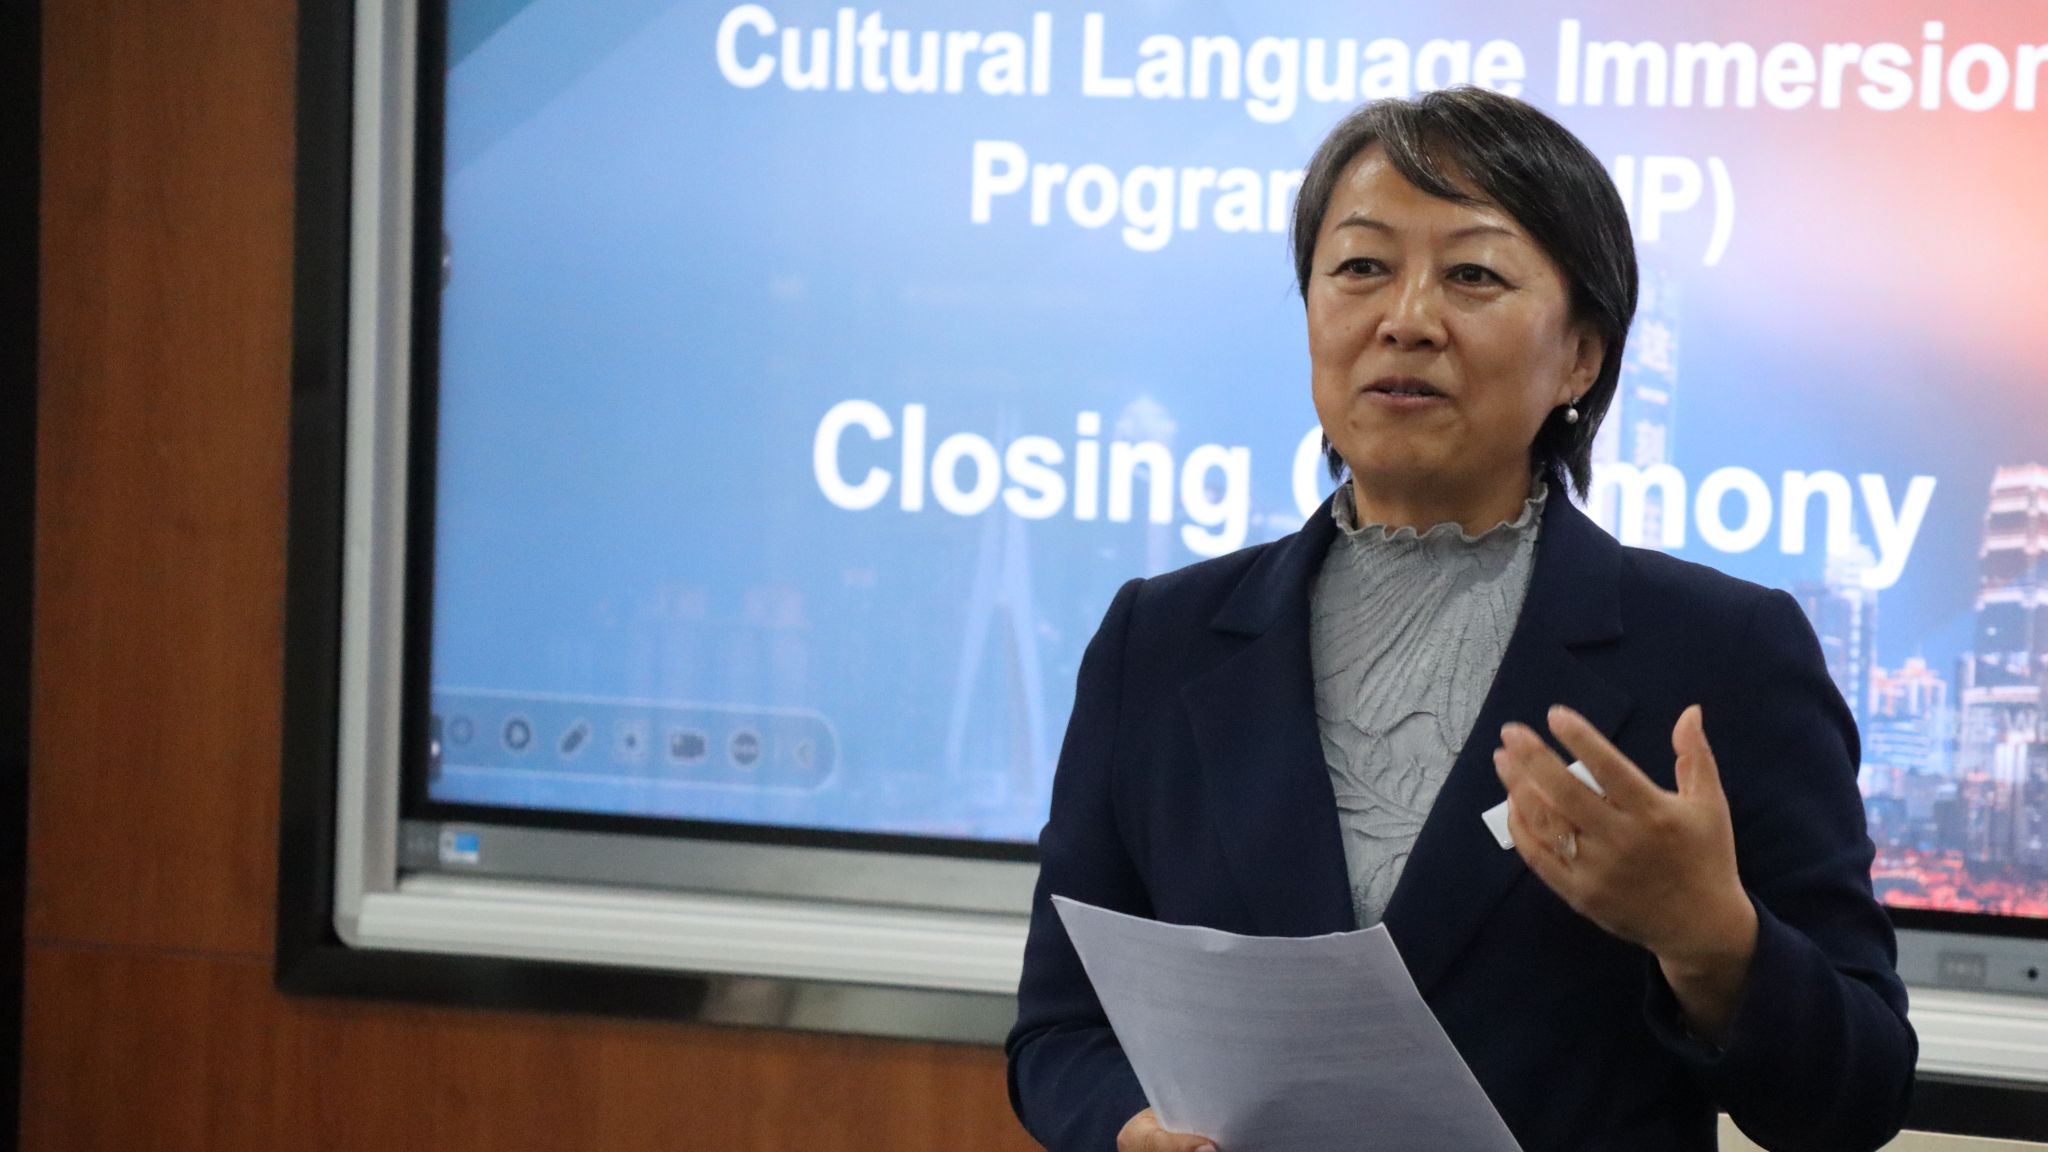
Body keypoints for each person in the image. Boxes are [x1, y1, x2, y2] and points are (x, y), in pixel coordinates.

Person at [1005, 86, 1916, 1152]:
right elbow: (1061, 1030)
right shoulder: (1156, 641)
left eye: (1472, 275)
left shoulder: (1720, 650)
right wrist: (1124, 1127)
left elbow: (1856, 1098)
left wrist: (1712, 941)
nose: (1405, 318)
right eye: (1360, 267)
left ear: (1580, 356)